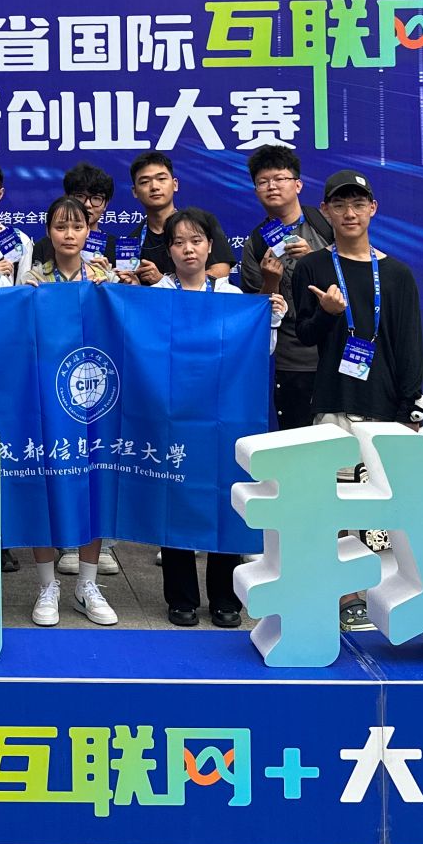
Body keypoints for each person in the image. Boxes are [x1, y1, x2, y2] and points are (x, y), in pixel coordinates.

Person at [286, 168, 423, 631]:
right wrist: (329, 314)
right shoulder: (312, 267)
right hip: (333, 402)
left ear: (373, 209)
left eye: (358, 204)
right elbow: (305, 334)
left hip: (386, 409)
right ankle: (345, 595)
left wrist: (411, 409)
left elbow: (409, 345)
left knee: (384, 510)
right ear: (325, 211)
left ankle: (382, 594)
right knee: (338, 507)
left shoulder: (398, 274)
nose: (350, 213)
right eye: (340, 205)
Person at [153, 207, 283, 629]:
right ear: (169, 250)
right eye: (178, 242)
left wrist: (269, 314)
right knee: (175, 497)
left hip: (223, 416)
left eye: (196, 241)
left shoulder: (230, 294)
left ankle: (225, 597)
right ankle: (181, 597)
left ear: (211, 247)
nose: (188, 249)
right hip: (173, 415)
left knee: (225, 497)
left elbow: (259, 352)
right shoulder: (156, 296)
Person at [15, 196, 119, 627]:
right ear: (49, 232)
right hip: (45, 394)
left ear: (89, 231)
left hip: (95, 397)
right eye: (61, 227)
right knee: (45, 485)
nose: (69, 234)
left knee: (93, 483)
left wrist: (118, 291)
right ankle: (47, 585)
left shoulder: (104, 276)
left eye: (77, 227)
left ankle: (87, 585)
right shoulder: (32, 278)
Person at [235, 145, 334, 431]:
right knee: (297, 440)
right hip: (292, 359)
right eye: (263, 182)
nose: (272, 186)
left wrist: (314, 260)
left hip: (335, 350)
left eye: (280, 178)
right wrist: (271, 281)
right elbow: (255, 313)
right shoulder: (256, 242)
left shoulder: (326, 225)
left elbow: (353, 278)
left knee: (344, 443)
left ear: (298, 185)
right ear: (256, 191)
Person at [128, 149, 235, 285]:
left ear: (175, 184)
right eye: (144, 182)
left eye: (161, 179)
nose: (154, 187)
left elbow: (221, 271)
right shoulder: (132, 241)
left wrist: (164, 282)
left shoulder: (203, 222)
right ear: (135, 192)